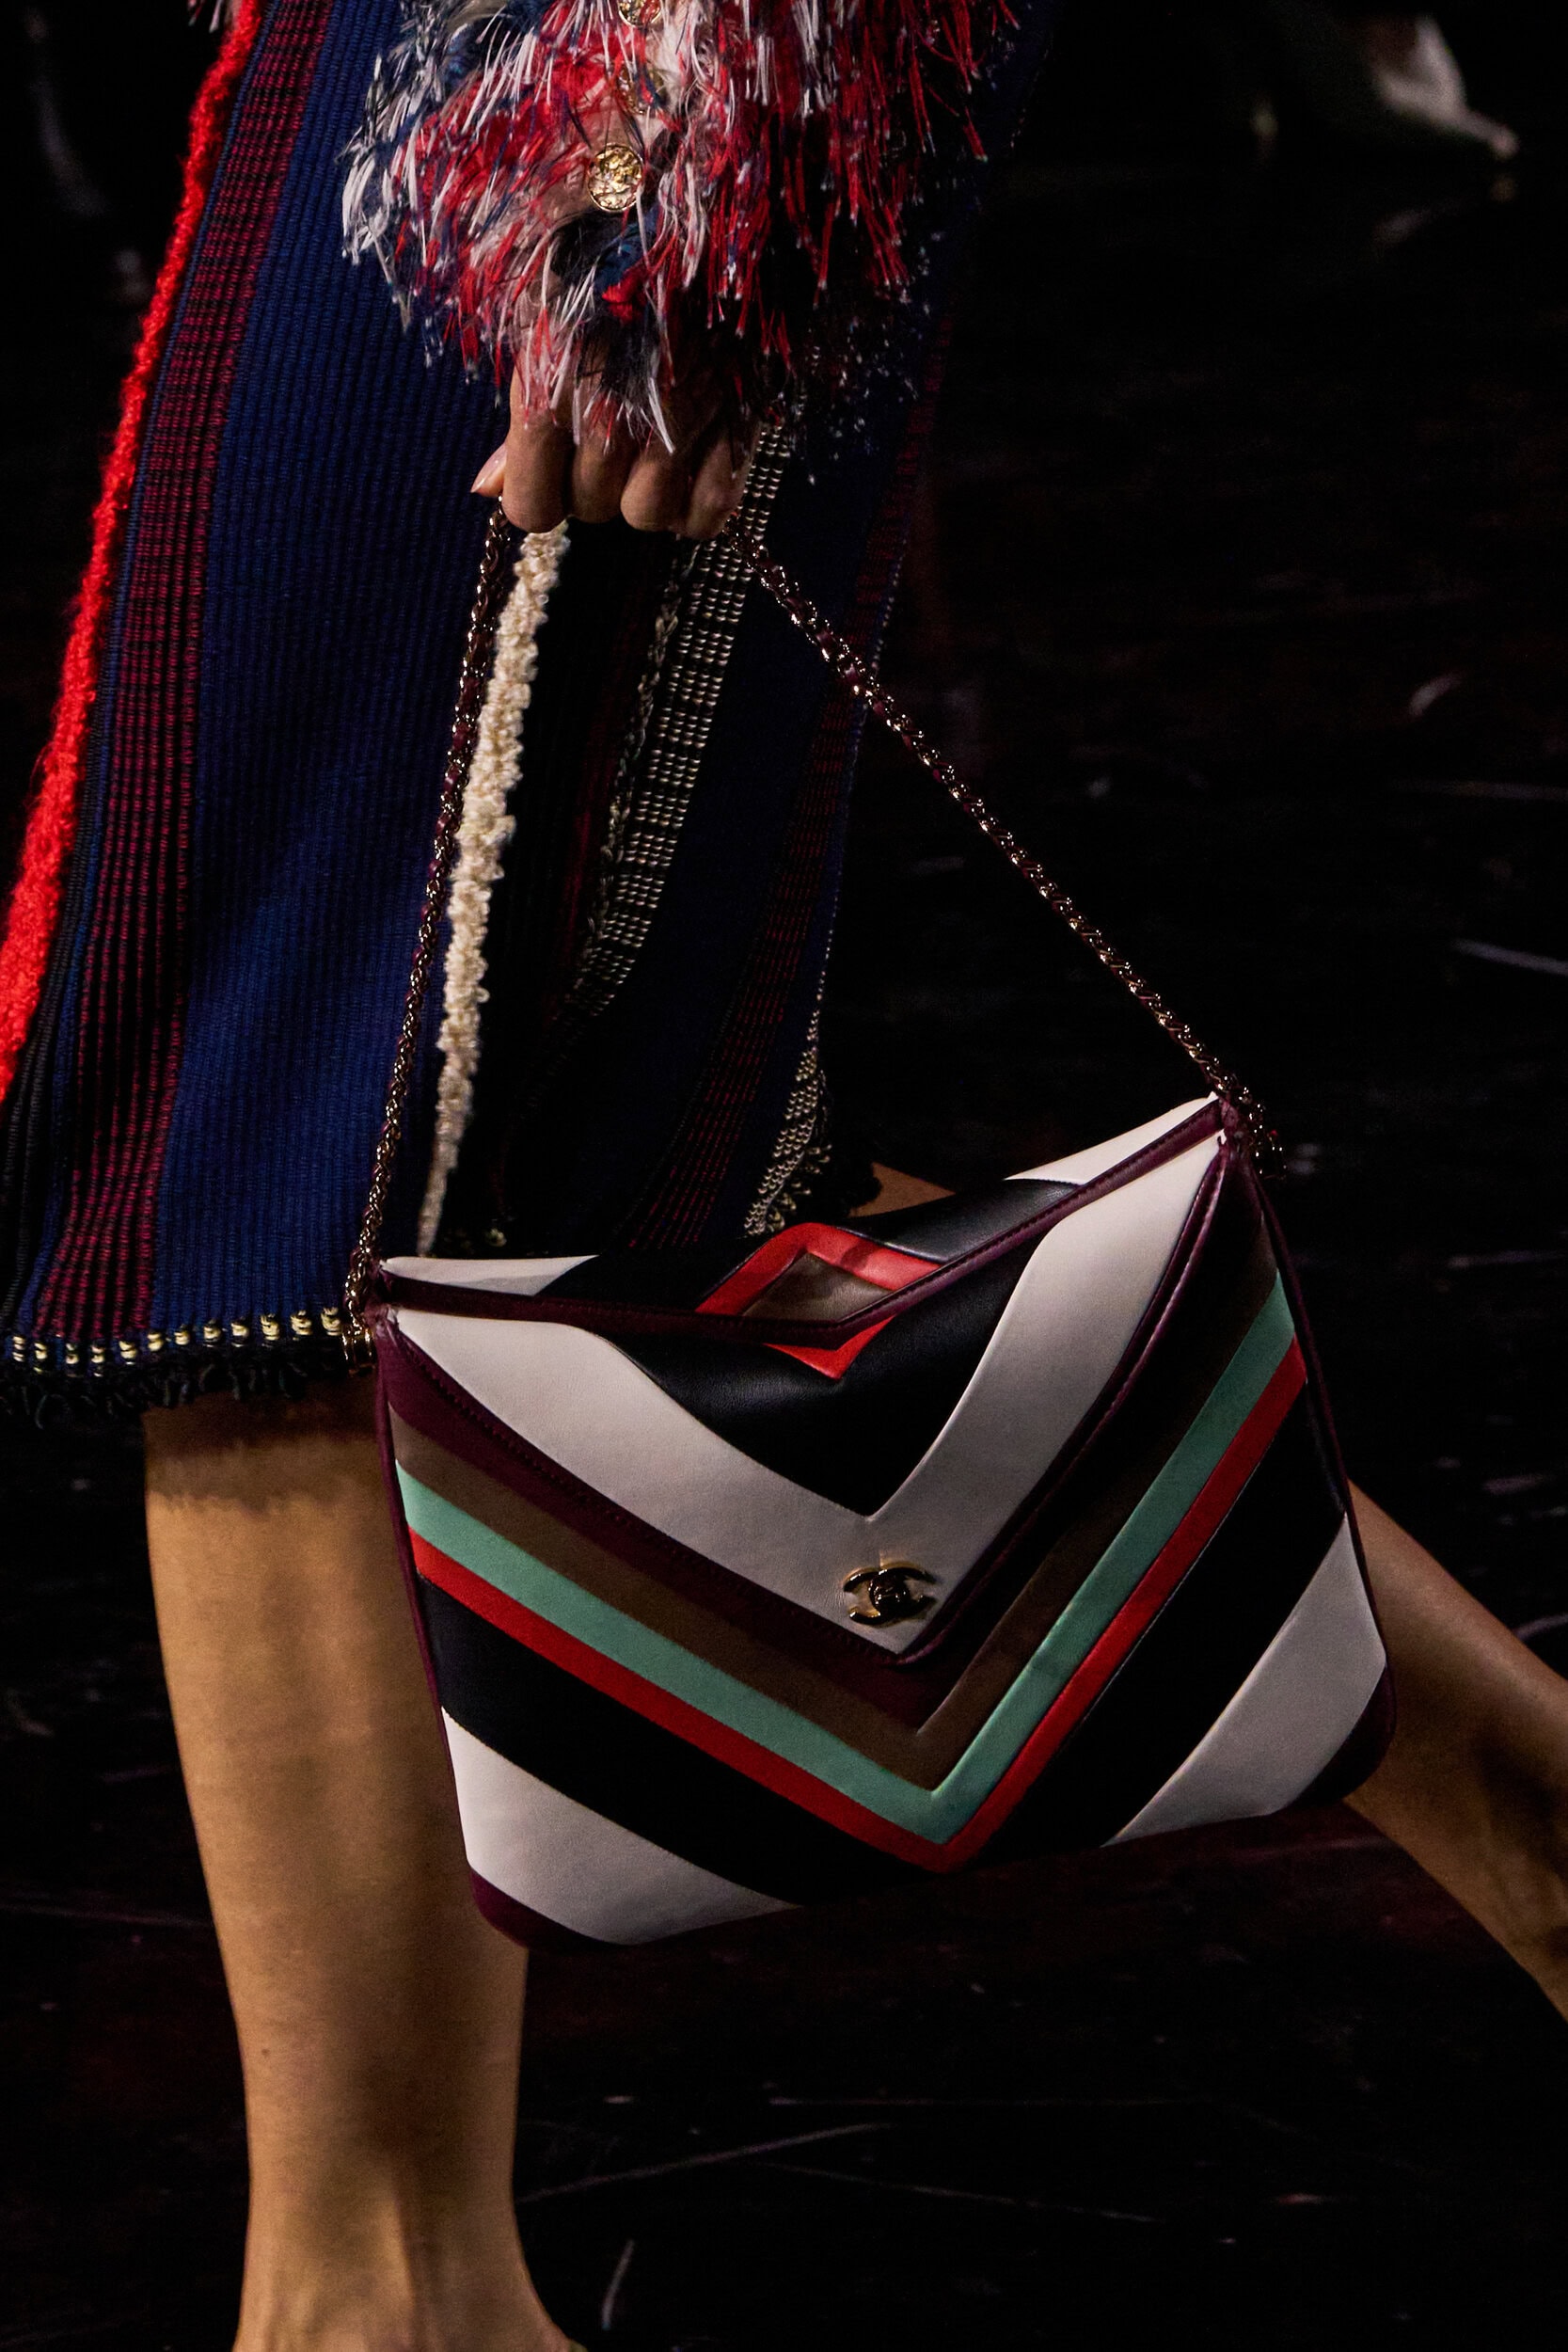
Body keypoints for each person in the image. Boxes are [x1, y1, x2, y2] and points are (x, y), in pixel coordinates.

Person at [0, 2, 1562, 2346]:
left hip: (595, 86)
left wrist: (716, 148)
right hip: (533, 86)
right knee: (531, 1116)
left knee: (320, 1112)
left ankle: (386, 2303)